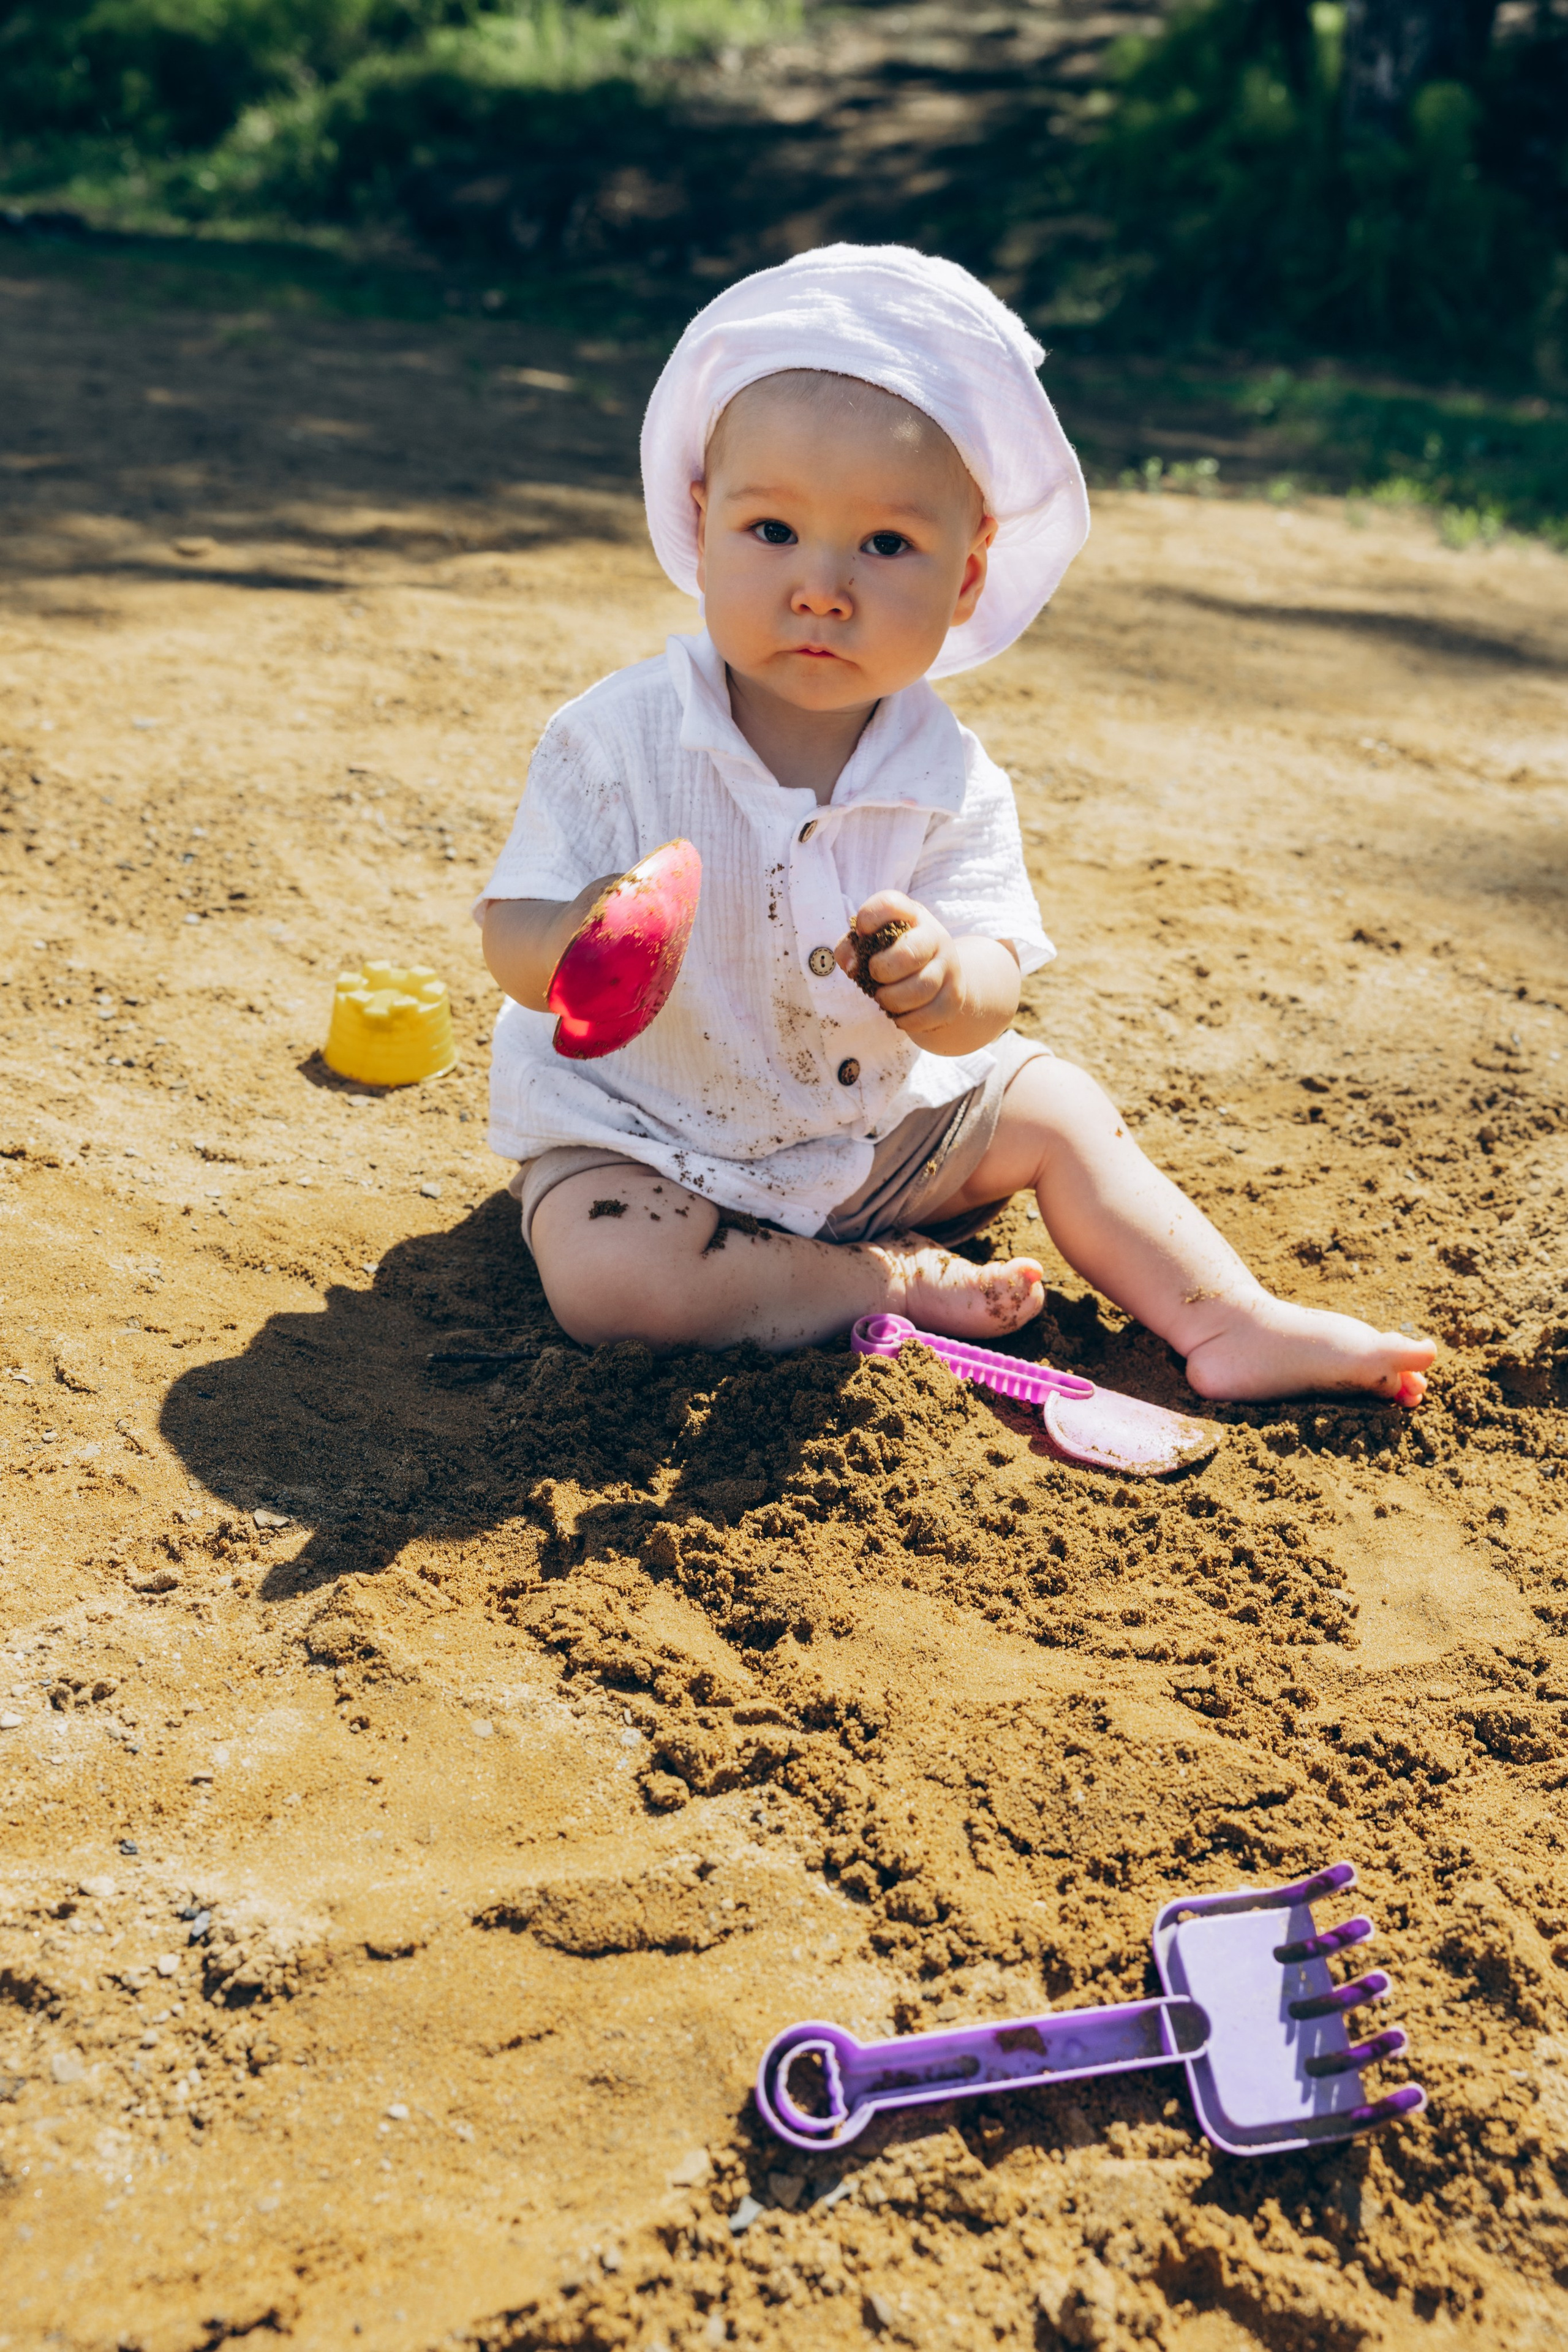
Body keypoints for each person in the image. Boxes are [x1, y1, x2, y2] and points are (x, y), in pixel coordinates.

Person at [477, 244, 1433, 1404]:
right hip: (645, 1141)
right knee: (613, 1288)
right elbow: (511, 934)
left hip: (875, 1133)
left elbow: (989, 999)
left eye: (887, 545)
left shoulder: (949, 775)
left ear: (969, 575)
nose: (823, 587)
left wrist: (945, 978)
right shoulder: (615, 739)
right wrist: (578, 938)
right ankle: (874, 1287)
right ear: (701, 518)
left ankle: (1229, 1317)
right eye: (772, 530)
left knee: (1063, 1112)